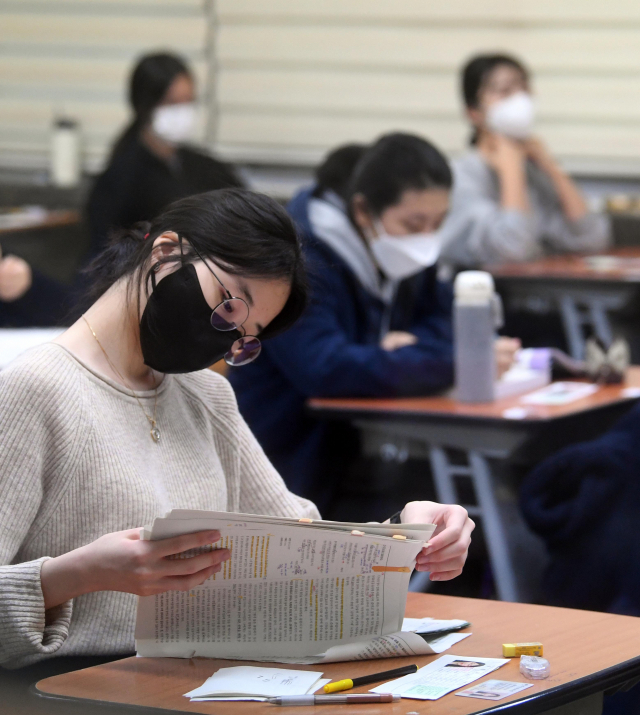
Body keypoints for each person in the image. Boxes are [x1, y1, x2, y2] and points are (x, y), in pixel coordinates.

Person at [0, 188, 474, 673]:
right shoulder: (36, 389)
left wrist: (406, 534)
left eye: (245, 339)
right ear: (166, 252)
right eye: (229, 305)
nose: (225, 338)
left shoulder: (205, 396)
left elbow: (303, 551)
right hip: (72, 692)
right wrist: (75, 575)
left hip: (193, 684)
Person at [230, 134, 519, 512]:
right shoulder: (294, 262)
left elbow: (447, 319)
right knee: (457, 510)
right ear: (364, 212)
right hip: (289, 463)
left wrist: (412, 347)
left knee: (477, 503)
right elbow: (325, 368)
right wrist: (459, 363)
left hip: (368, 445)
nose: (427, 239)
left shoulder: (402, 249)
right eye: (415, 223)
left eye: (438, 222)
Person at [439, 53, 610, 271]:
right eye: (504, 91)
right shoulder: (460, 177)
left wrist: (551, 167)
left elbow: (592, 239)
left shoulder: (535, 172)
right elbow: (512, 250)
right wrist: (511, 169)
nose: (519, 99)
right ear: (473, 113)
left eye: (524, 88)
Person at [86, 51, 243, 256]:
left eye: (189, 101)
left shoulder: (207, 167)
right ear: (145, 106)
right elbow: (106, 253)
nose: (183, 113)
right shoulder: (121, 179)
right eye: (172, 103)